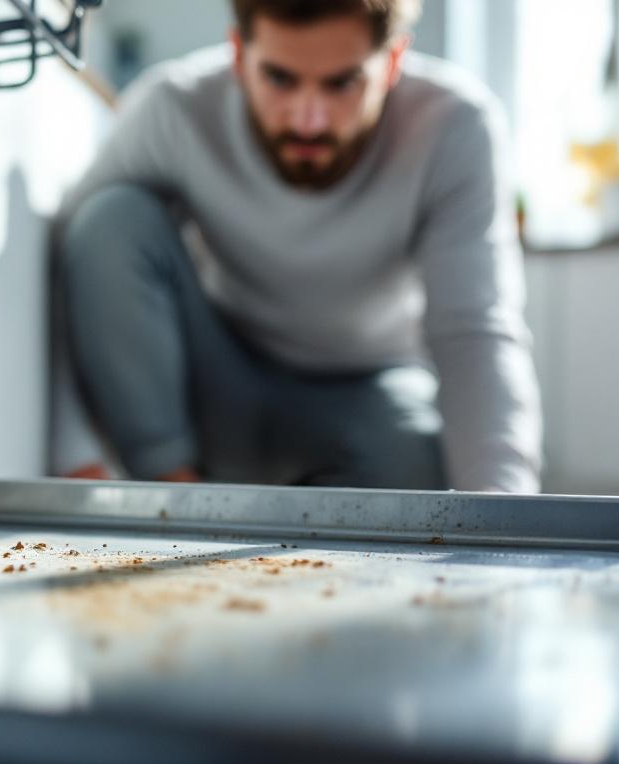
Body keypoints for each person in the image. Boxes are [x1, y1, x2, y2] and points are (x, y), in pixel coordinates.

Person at [58, 0, 542, 492]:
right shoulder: (173, 108)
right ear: (238, 54)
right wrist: (76, 454)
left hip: (369, 393)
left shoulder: (454, 125)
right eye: (279, 79)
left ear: (393, 62)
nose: (308, 120)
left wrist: (503, 514)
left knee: (418, 489)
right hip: (219, 379)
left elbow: (473, 329)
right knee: (111, 217)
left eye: (341, 83)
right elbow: (72, 255)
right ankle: (175, 504)